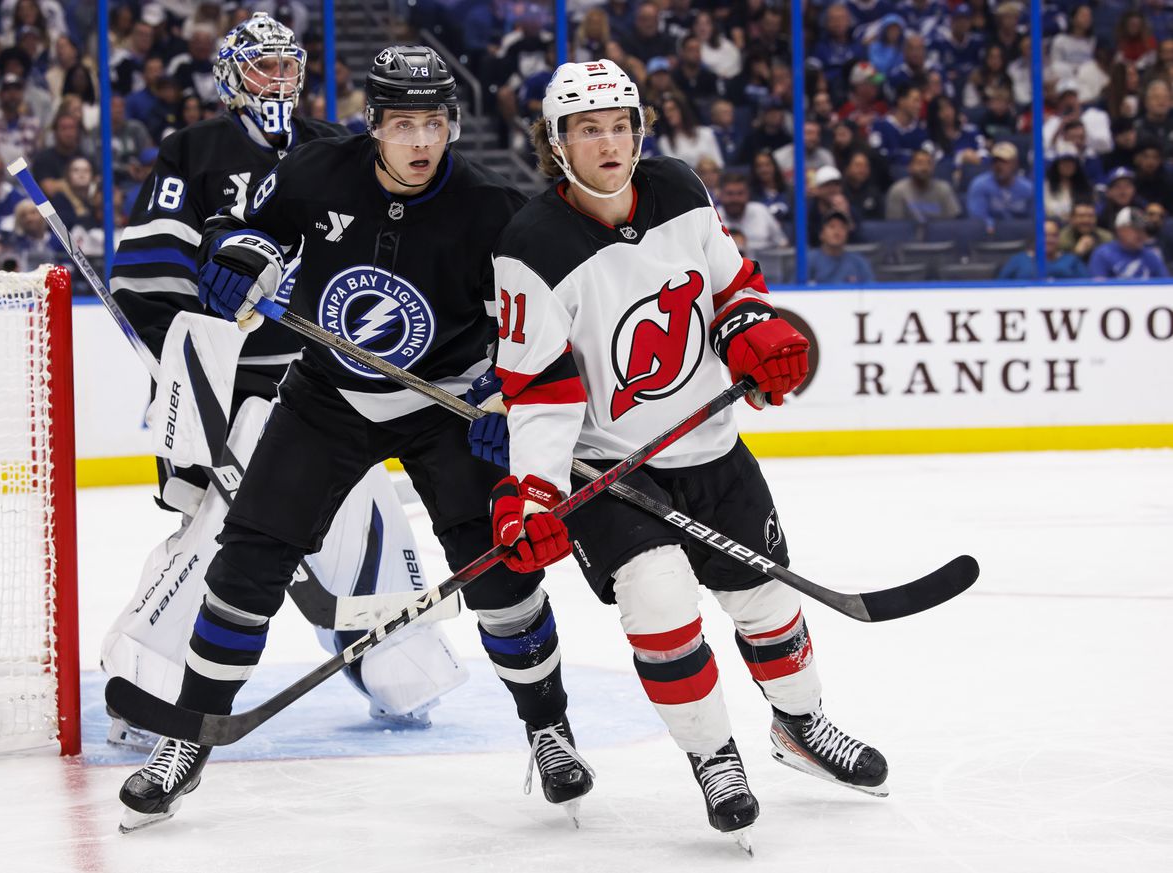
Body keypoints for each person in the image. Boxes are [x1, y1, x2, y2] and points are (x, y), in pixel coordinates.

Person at [117, 44, 588, 831]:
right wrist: (243, 259)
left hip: (445, 406)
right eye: (402, 124)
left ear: (453, 124)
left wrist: (505, 404)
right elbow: (261, 233)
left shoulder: (491, 210)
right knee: (245, 565)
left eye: (434, 123)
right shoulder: (314, 172)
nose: (419, 142)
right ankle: (186, 738)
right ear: (373, 125)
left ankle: (549, 730)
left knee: (501, 572)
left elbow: (530, 333)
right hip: (327, 397)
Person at [487, 57, 888, 840]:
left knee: (768, 602)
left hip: (712, 447)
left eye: (620, 125)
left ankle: (800, 726)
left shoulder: (677, 188)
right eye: (587, 129)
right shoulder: (529, 244)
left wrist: (754, 331)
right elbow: (539, 391)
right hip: (610, 473)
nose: (609, 143)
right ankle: (715, 758)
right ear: (556, 142)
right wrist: (533, 492)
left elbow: (732, 286)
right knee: (663, 606)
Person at [105, 13, 464, 758]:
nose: (280, 81)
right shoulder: (193, 152)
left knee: (364, 515)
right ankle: (146, 688)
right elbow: (145, 281)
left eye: (288, 67)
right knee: (220, 539)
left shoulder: (336, 148)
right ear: (232, 75)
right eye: (263, 68)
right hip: (228, 389)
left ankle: (402, 671)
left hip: (322, 387)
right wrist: (196, 364)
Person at [966, 141, 1032, 232]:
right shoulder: (980, 185)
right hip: (990, 237)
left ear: (1015, 163)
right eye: (995, 161)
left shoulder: (1027, 188)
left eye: (1004, 161)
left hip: (1021, 236)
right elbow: (978, 219)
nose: (999, 165)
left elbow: (1034, 220)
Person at [1089, 207, 1170, 278]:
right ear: (1120, 230)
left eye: (1143, 229)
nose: (1141, 234)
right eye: (1136, 229)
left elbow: (1164, 285)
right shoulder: (1103, 254)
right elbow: (1099, 288)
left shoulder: (1151, 256)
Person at [885, 147, 961, 221]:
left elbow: (952, 225)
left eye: (928, 163)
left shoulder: (944, 189)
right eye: (919, 163)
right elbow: (895, 227)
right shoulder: (898, 190)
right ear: (910, 167)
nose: (924, 168)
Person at [997, 219, 1088, 280]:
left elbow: (1088, 287)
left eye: (1054, 235)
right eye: (1044, 235)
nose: (1049, 240)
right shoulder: (1018, 261)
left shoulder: (1072, 261)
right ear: (1035, 237)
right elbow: (998, 289)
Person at [808, 210, 876, 283]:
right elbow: (797, 291)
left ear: (847, 234)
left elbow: (872, 291)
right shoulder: (809, 261)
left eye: (842, 227)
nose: (837, 232)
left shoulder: (859, 263)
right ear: (821, 234)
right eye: (832, 226)